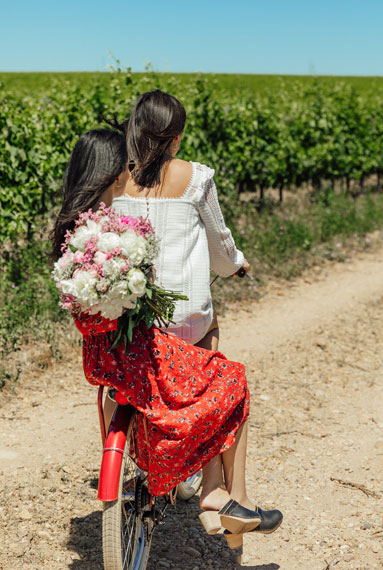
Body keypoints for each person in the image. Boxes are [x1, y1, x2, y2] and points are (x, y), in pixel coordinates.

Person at [50, 128, 282, 552]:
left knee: (206, 381)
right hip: (137, 353)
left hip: (104, 357)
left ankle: (208, 490)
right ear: (109, 171)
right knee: (228, 380)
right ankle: (226, 496)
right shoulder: (114, 231)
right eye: (123, 164)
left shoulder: (74, 231)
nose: (128, 170)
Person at [112, 89, 249, 352]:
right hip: (185, 321)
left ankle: (117, 394)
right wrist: (237, 264)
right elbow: (220, 248)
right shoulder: (197, 178)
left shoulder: (118, 182)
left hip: (132, 319)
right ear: (176, 139)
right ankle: (198, 383)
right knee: (208, 322)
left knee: (123, 380)